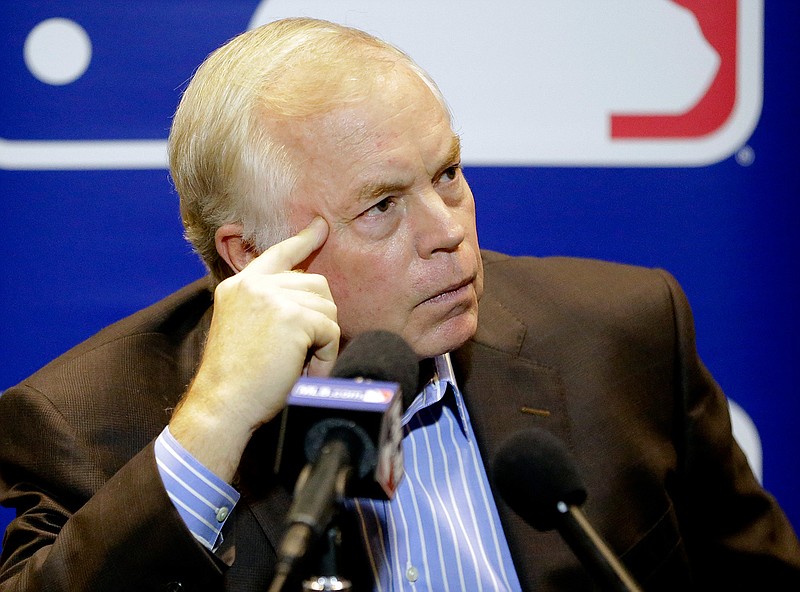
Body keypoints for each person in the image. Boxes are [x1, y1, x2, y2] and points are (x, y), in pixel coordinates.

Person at [1, 17, 799, 592]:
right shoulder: (89, 425)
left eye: (448, 173)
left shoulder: (624, 334)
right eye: (382, 206)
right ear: (253, 257)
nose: (449, 231)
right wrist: (210, 430)